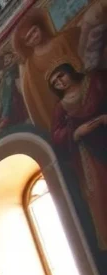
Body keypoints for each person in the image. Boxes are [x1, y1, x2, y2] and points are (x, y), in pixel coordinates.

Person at [48, 62, 107, 249]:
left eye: (60, 76)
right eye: (55, 82)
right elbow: (57, 134)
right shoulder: (61, 106)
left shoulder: (94, 82)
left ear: (68, 72)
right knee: (99, 187)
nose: (60, 82)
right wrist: (76, 132)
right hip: (88, 148)